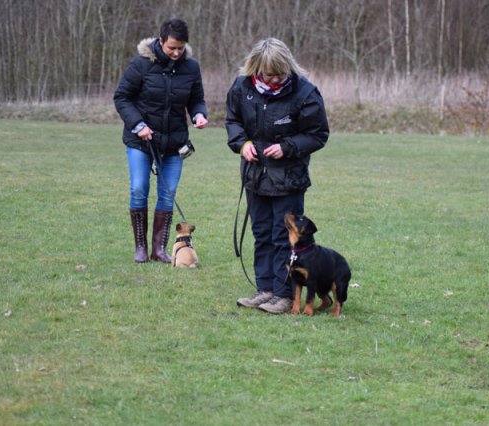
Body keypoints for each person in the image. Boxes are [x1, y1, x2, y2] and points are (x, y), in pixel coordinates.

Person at [225, 38, 329, 314]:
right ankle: (265, 289)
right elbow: (233, 121)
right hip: (255, 176)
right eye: (268, 74)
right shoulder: (241, 87)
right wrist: (242, 144)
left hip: (289, 179)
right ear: (256, 68)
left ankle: (284, 295)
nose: (274, 80)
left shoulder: (305, 93)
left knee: (283, 237)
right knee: (261, 233)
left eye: (279, 74)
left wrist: (287, 147)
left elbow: (318, 135)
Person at [114, 18, 208, 263]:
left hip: (175, 143)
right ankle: (141, 248)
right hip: (141, 141)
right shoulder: (141, 64)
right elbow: (122, 97)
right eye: (171, 48)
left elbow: (197, 98)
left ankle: (159, 250)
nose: (177, 52)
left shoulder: (191, 67)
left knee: (168, 194)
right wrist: (138, 125)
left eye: (181, 48)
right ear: (161, 41)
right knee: (138, 189)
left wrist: (199, 114)